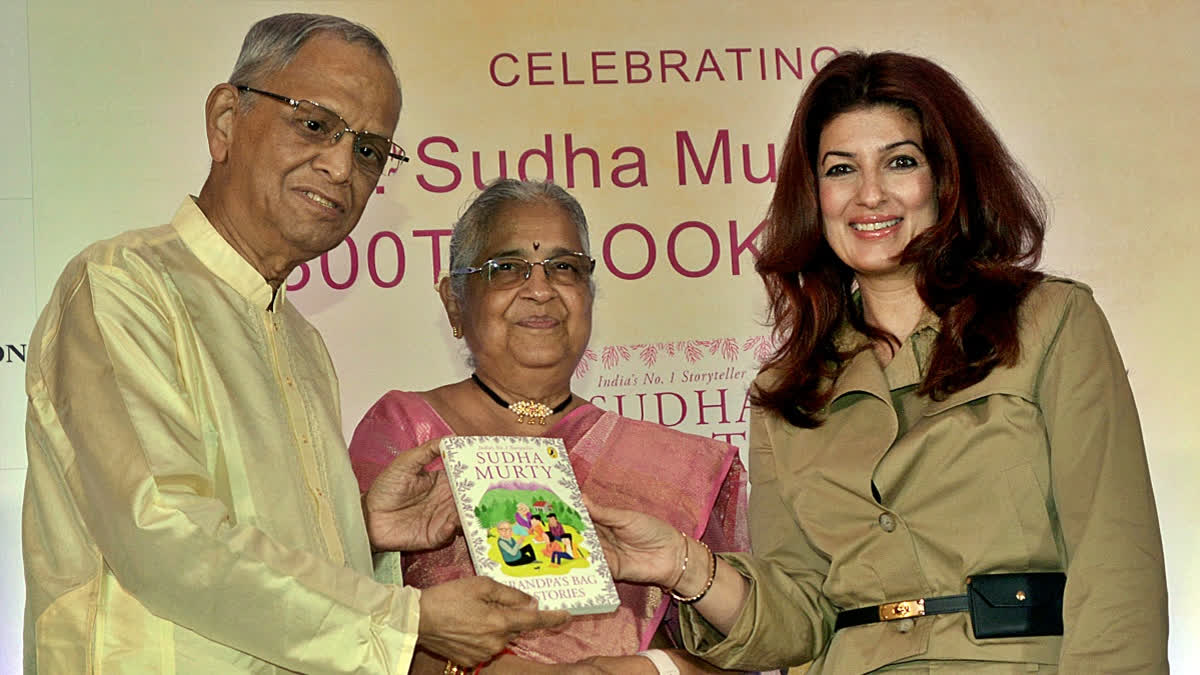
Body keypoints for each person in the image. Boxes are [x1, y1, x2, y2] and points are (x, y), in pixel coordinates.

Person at [588, 50, 1169, 673]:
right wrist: (679, 564)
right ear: (814, 195)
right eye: (842, 169)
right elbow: (801, 619)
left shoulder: (1051, 322)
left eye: (899, 162)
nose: (870, 194)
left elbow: (1116, 568)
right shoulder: (786, 392)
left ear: (946, 179)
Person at [21, 14, 567, 674]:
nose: (341, 166)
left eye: (369, 150)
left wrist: (361, 534)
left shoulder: (301, 340)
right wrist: (409, 620)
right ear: (225, 121)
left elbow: (266, 567)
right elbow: (164, 533)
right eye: (314, 124)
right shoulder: (122, 288)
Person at [348, 178, 750, 674]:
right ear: (455, 301)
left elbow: (744, 656)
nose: (540, 290)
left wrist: (649, 669)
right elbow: (337, 617)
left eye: (565, 267)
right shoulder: (407, 433)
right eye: (507, 269)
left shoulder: (678, 464)